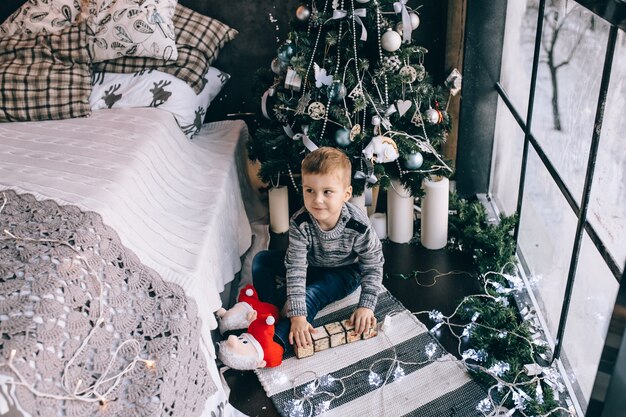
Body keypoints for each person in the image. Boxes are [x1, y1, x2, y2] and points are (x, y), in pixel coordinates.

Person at [252, 147, 384, 353]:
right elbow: (295, 268)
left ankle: (275, 343)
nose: (317, 200)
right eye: (309, 190)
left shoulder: (358, 224)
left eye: (327, 192)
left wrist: (366, 306)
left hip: (344, 272)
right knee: (262, 260)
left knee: (309, 296)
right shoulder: (300, 222)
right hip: (312, 265)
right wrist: (297, 314)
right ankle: (268, 313)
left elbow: (373, 263)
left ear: (346, 194)